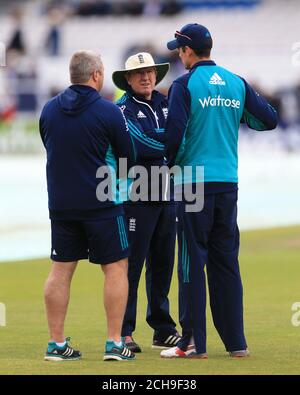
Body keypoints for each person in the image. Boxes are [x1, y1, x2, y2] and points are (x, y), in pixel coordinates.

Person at [161, 24, 278, 358]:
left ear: (187, 51)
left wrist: (169, 164)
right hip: (228, 183)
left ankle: (193, 342)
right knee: (226, 263)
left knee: (190, 263)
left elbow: (175, 136)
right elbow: (268, 119)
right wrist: (230, 116)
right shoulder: (235, 82)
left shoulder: (184, 85)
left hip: (192, 184)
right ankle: (236, 344)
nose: (178, 56)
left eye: (179, 50)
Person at [40, 50, 136, 362]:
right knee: (116, 267)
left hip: (62, 204)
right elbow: (127, 157)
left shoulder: (49, 110)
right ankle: (113, 342)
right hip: (102, 202)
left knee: (61, 270)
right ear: (95, 75)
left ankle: (56, 343)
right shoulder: (109, 111)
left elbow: (49, 144)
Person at [112, 52, 181, 352]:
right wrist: (170, 142)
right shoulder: (121, 109)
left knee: (163, 263)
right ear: (127, 79)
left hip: (166, 192)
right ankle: (124, 330)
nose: (146, 77)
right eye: (139, 73)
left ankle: (162, 327)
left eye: (150, 71)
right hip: (136, 195)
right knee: (132, 265)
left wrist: (165, 142)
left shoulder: (166, 103)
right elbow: (137, 145)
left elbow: (182, 134)